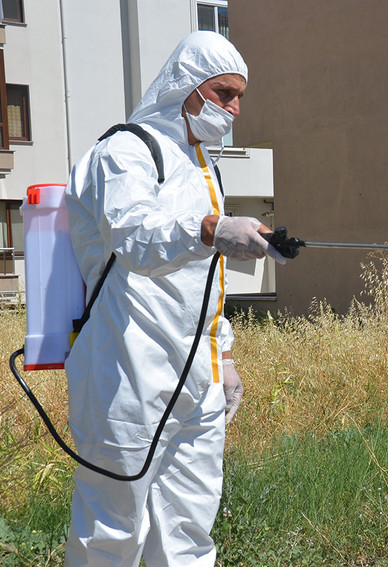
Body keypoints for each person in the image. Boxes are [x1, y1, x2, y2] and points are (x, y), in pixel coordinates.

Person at [63, 31, 282, 566]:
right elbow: (135, 236)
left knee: (188, 531)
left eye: (240, 97)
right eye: (222, 93)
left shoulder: (204, 166)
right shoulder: (123, 151)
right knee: (111, 534)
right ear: (184, 86)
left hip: (197, 382)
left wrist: (224, 356)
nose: (232, 108)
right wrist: (210, 228)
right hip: (126, 376)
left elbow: (202, 283)